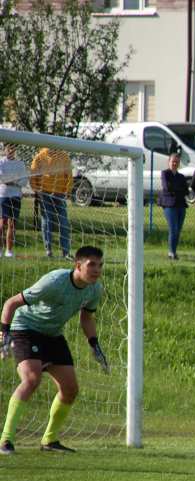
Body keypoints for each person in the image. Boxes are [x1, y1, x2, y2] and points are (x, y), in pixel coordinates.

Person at [0, 246, 110, 455]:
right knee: (32, 379)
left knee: (70, 389)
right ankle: (5, 440)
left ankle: (49, 441)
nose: (97, 270)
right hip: (25, 329)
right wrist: (4, 335)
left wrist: (94, 344)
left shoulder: (94, 289)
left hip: (53, 335)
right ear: (78, 265)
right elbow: (11, 303)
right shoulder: (54, 282)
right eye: (91, 265)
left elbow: (86, 318)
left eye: (100, 265)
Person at [30, 147, 73, 259]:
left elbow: (69, 174)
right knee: (47, 220)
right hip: (44, 193)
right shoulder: (40, 156)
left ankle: (66, 252)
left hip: (60, 193)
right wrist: (36, 189)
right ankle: (48, 250)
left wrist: (67, 190)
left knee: (63, 222)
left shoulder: (63, 155)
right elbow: (33, 173)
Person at [158, 153, 190, 260]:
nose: (175, 163)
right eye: (173, 161)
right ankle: (171, 252)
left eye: (177, 162)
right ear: (169, 162)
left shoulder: (181, 177)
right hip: (169, 205)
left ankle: (174, 252)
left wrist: (176, 190)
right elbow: (167, 188)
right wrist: (178, 190)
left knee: (178, 230)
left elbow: (186, 190)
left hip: (181, 205)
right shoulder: (165, 173)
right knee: (173, 229)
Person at [0, 143, 28, 258]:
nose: (11, 150)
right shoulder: (1, 162)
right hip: (3, 195)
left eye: (13, 148)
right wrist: (13, 181)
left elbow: (24, 181)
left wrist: (13, 182)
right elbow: (2, 178)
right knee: (2, 224)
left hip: (15, 196)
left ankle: (9, 251)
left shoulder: (20, 164)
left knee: (12, 224)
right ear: (5, 149)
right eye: (9, 148)